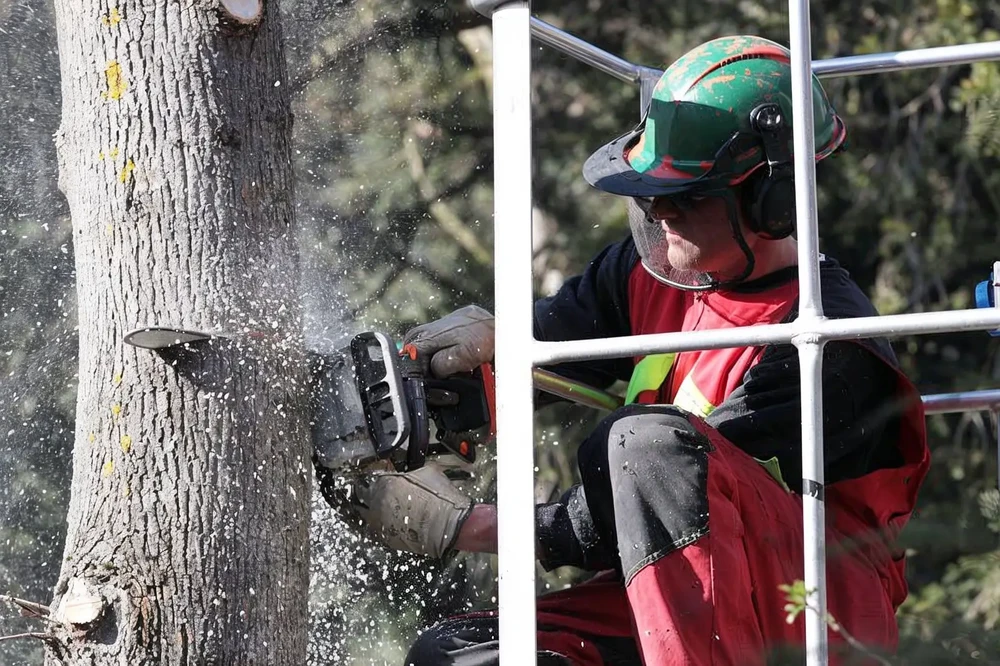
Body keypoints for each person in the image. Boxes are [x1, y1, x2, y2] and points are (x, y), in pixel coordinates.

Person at [350, 35, 931, 665]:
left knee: (644, 444)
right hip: (680, 597)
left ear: (773, 199)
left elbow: (659, 492)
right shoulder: (651, 272)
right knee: (458, 654)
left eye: (683, 197)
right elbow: (546, 348)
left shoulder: (825, 340)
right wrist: (446, 380)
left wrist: (463, 526)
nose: (657, 210)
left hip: (809, 599)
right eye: (651, 190)